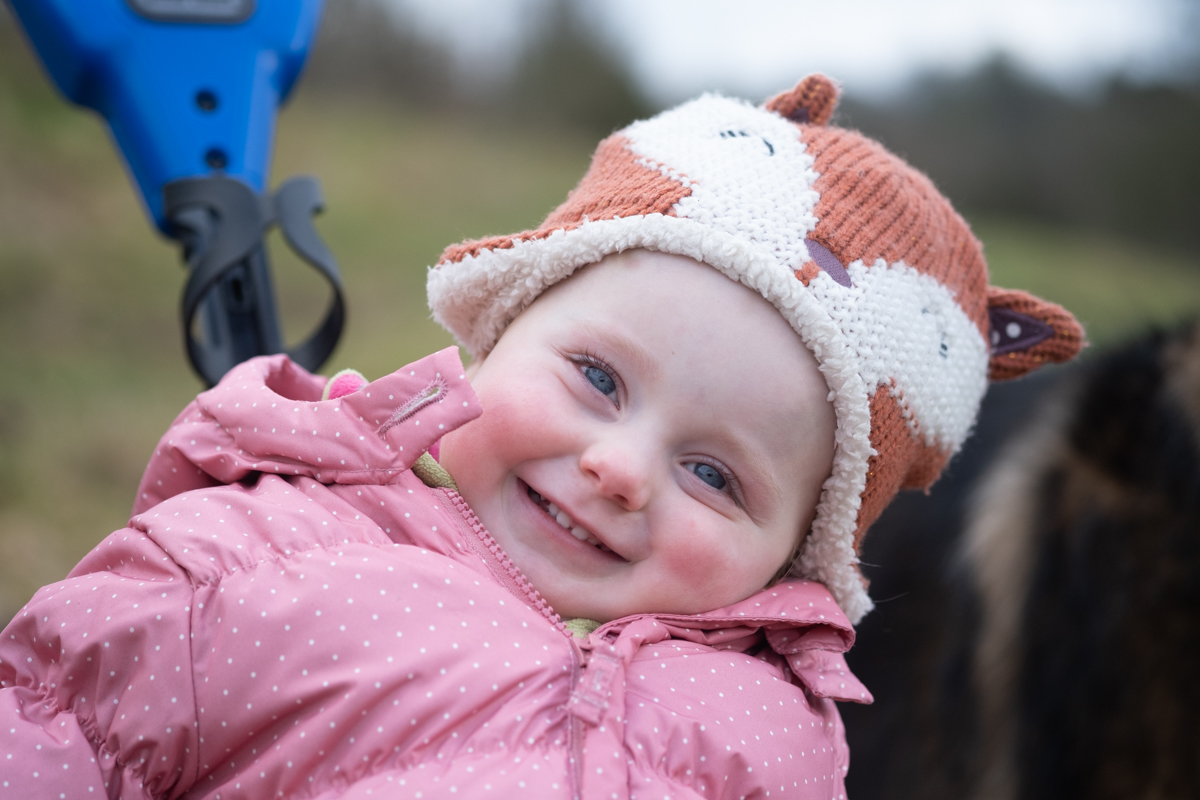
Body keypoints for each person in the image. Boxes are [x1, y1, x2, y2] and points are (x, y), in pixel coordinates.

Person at [0, 75, 1083, 799]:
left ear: (796, 552)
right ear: (495, 331)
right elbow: (52, 735)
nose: (620, 469)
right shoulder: (258, 561)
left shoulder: (781, 739)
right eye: (599, 380)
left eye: (714, 474)